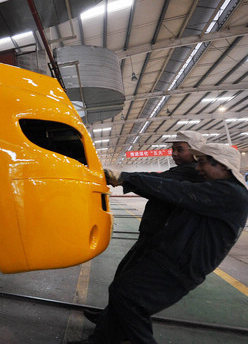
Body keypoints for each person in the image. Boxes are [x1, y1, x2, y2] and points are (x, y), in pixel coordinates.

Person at [76, 143, 248, 343]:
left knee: (129, 300)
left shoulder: (229, 194)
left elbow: (174, 188)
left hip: (180, 267)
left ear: (224, 165)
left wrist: (126, 177)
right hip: (170, 257)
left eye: (201, 163)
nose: (198, 168)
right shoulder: (218, 189)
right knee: (122, 292)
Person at [83, 131, 205, 324]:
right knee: (124, 276)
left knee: (128, 282)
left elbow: (156, 181)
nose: (174, 153)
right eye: (173, 149)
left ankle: (114, 325)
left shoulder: (191, 171)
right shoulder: (186, 171)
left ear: (196, 151)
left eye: (179, 149)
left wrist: (121, 177)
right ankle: (110, 317)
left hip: (160, 238)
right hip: (152, 234)